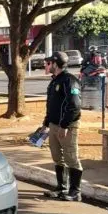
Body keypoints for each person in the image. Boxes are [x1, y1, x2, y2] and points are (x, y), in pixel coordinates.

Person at [43, 52, 83, 201]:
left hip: (67, 126)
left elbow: (74, 105)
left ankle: (75, 192)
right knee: (57, 157)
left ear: (55, 64)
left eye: (48, 63)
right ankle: (61, 188)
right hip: (54, 125)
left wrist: (64, 125)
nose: (46, 66)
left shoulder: (70, 80)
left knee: (71, 157)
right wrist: (45, 124)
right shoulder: (54, 81)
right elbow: (51, 105)